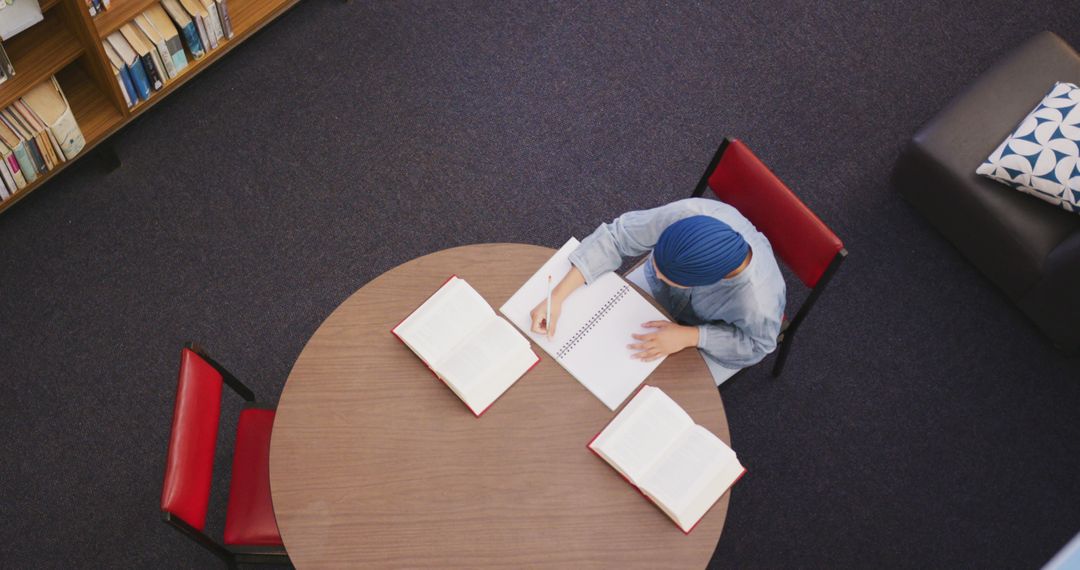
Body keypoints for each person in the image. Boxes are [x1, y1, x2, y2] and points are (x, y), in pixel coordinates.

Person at [530, 197, 786, 385]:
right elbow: (617, 237)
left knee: (653, 397)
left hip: (713, 333)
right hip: (665, 297)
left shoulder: (758, 302)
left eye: (668, 275)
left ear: (705, 281)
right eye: (656, 263)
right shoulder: (688, 213)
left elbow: (757, 345)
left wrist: (692, 336)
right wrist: (558, 297)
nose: (652, 267)